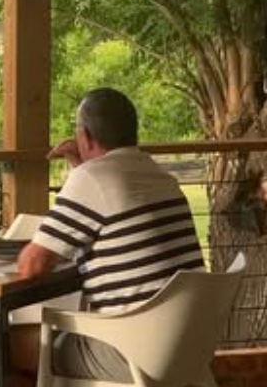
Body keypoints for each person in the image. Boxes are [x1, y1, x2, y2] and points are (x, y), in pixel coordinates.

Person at [11, 87, 205, 386]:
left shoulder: (92, 178)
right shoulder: (161, 177)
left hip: (131, 352)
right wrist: (83, 167)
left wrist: (82, 173)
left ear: (85, 136)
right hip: (186, 346)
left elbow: (31, 266)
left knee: (9, 345)